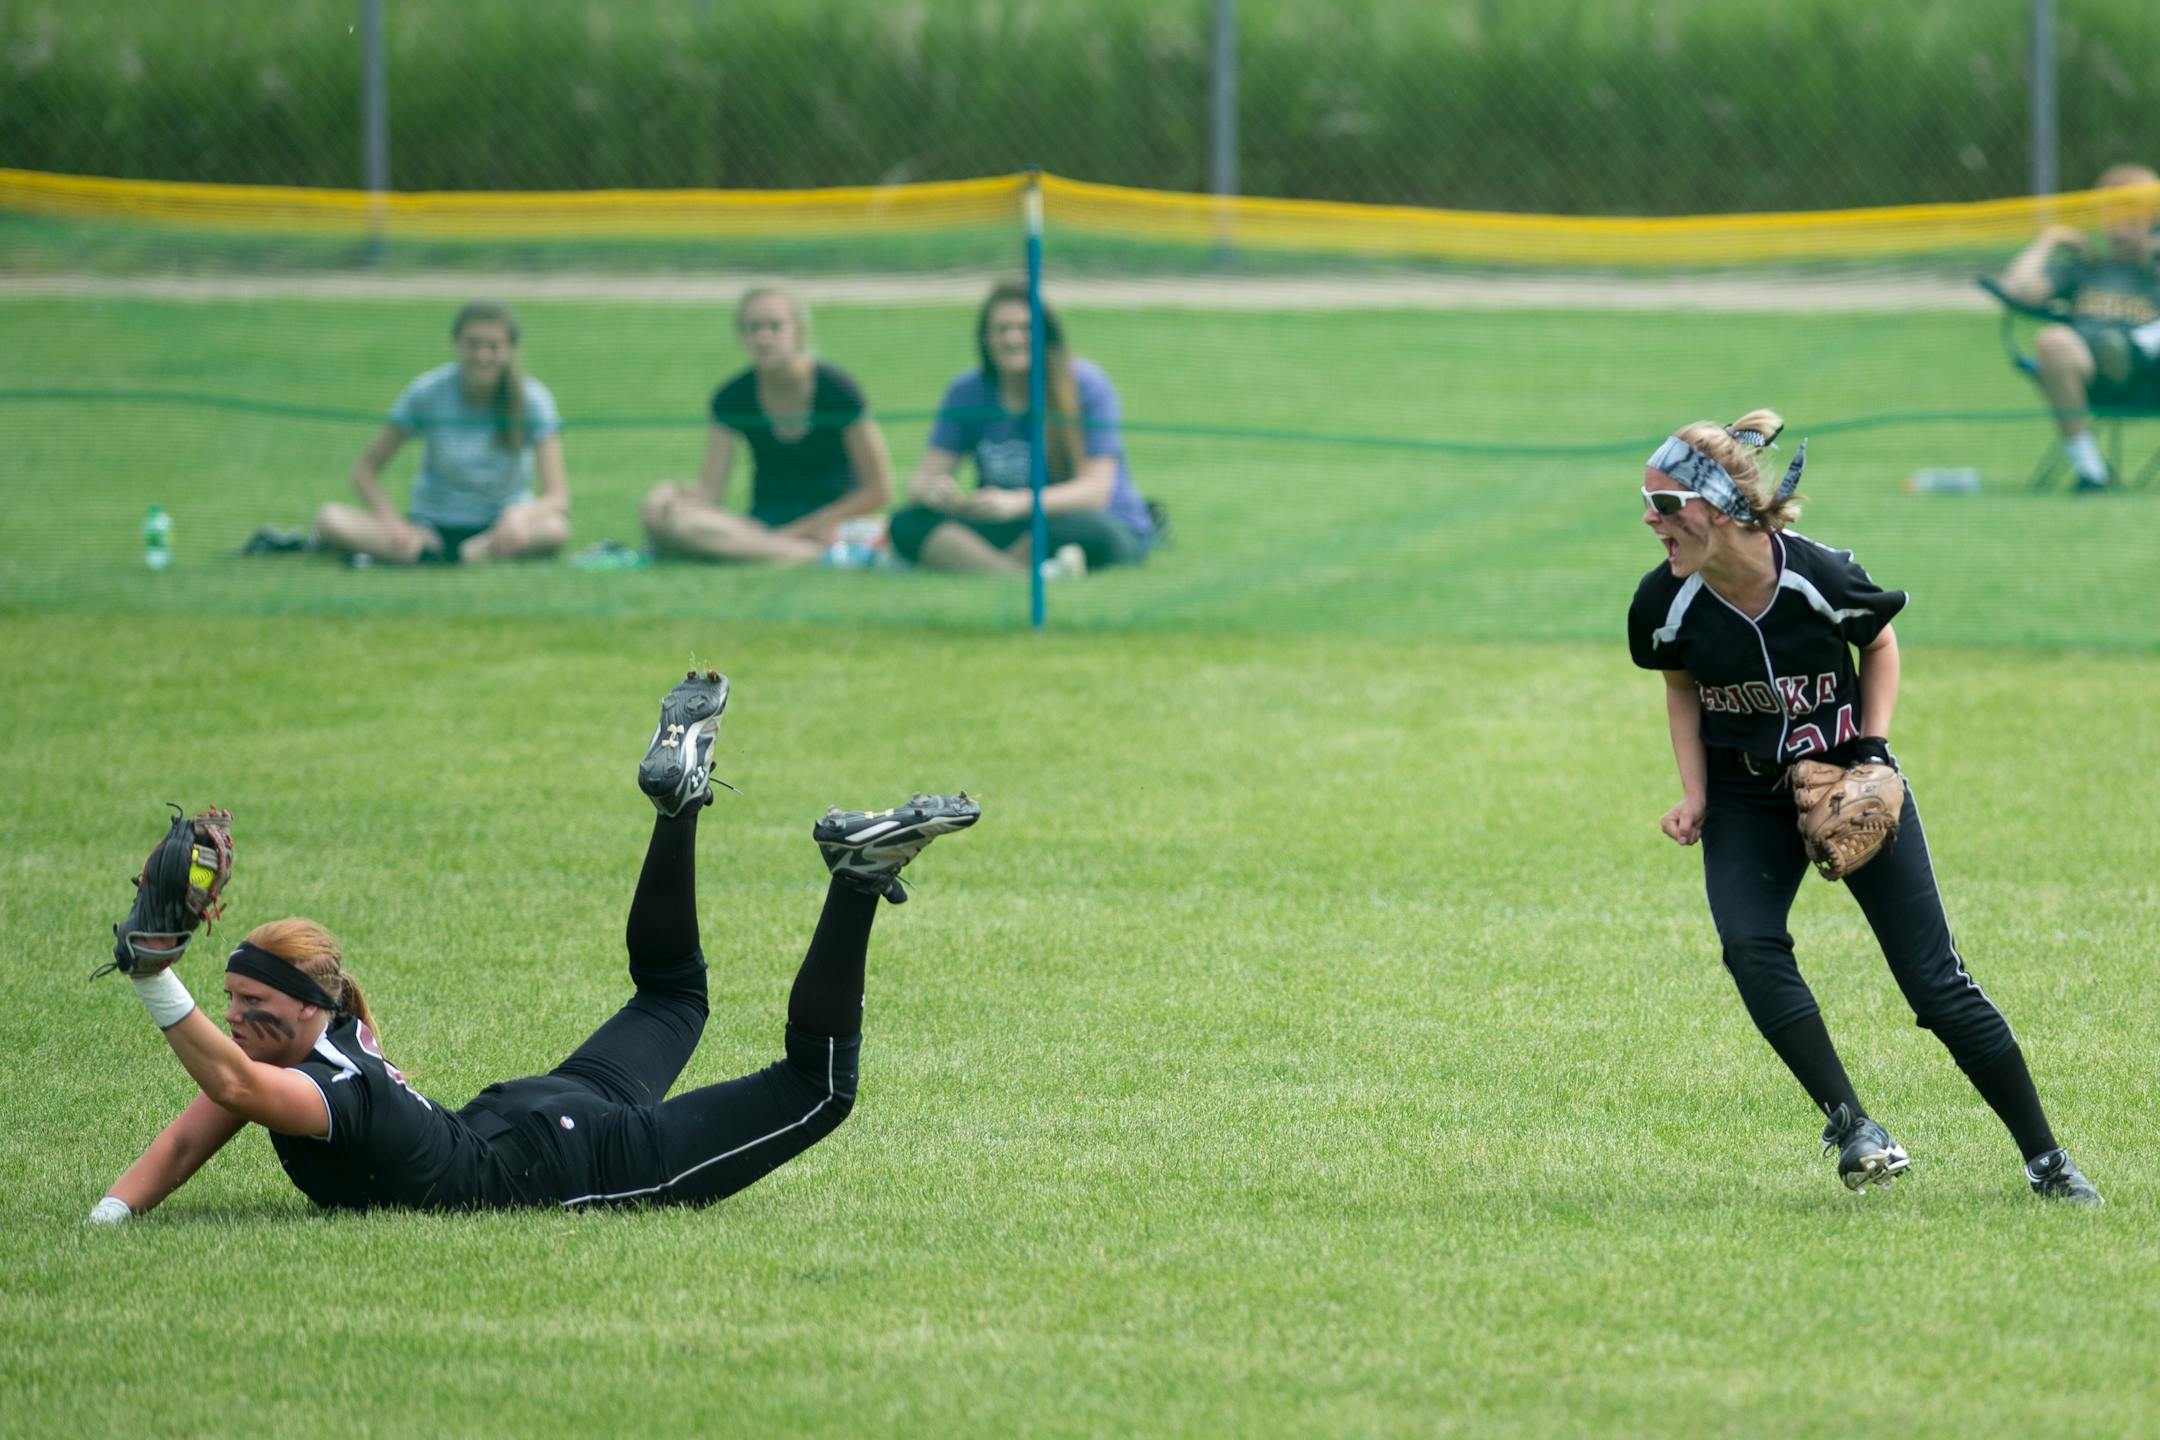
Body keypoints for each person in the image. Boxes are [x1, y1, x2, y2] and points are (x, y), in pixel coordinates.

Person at [86, 670, 979, 1220]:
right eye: (235, 1005)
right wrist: (109, 1219)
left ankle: (849, 880)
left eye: (257, 1008)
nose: (239, 1021)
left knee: (813, 1088)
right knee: (673, 996)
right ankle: (680, 805)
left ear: (315, 1008)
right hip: (540, 1119)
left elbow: (233, 1084)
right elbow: (187, 1141)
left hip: (560, 1152)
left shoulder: (326, 1095)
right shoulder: (322, 1051)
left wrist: (157, 976)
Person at [1626, 409, 2100, 1203]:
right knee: (1750, 945)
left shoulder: (1817, 575)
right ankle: (1853, 1126)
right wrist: (1696, 792)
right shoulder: (1665, 603)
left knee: (1935, 985)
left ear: (1721, 508)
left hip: (1852, 782)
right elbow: (1681, 686)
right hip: (1745, 795)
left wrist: (1874, 749)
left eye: (1666, 505)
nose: (1651, 519)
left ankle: (2047, 1160)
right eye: (1645, 502)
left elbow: (1877, 640)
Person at [890, 279, 1156, 577]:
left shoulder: (1086, 385)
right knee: (907, 523)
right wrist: (935, 492)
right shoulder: (967, 391)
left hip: (1079, 520)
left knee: (1085, 530)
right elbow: (922, 481)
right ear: (985, 338)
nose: (1013, 339)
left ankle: (976, 562)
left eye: (1025, 329)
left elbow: (1095, 492)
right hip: (1006, 520)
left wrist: (1018, 503)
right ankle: (1021, 575)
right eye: (1001, 330)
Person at [640, 288, 895, 566]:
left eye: (775, 326)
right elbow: (710, 491)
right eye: (753, 328)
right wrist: (668, 493)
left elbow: (879, 490)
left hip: (834, 523)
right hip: (764, 524)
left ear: (799, 331)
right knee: (679, 522)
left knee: (893, 531)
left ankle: (767, 551)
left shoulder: (838, 390)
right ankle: (811, 557)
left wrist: (797, 532)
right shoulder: (732, 397)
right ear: (742, 336)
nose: (764, 337)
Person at [314, 301, 571, 564]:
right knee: (329, 519)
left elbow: (558, 497)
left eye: (493, 347)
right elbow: (364, 471)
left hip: (498, 532)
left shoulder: (533, 400)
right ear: (456, 345)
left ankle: (455, 557)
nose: (482, 356)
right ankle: (429, 553)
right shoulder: (427, 392)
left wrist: (521, 515)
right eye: (473, 344)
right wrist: (391, 521)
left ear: (510, 350)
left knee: (555, 529)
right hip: (428, 528)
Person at [1995, 162, 2160, 491]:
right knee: (2054, 341)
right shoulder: (2087, 269)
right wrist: (2049, 240)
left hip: (2149, 378)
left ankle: (2134, 347)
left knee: (2136, 344)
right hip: (2086, 376)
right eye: (2113, 214)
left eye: (2132, 217)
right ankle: (2091, 472)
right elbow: (2016, 291)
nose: (2121, 227)